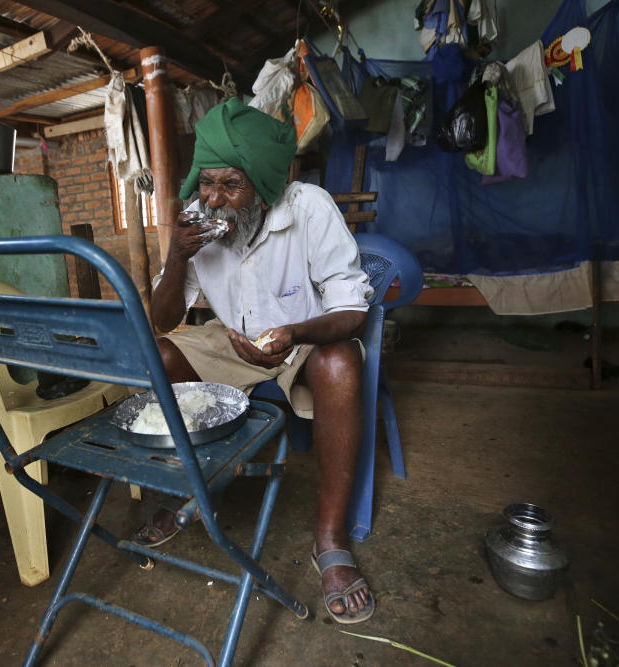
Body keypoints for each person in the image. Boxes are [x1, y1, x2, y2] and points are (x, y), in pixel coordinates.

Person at [135, 97, 375, 624]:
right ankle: (191, 493)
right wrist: (176, 258)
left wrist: (293, 333)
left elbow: (351, 311)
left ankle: (330, 539)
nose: (214, 199)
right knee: (159, 354)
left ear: (264, 186)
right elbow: (163, 316)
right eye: (207, 182)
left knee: (341, 365)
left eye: (231, 185)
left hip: (305, 337)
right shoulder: (200, 221)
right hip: (231, 340)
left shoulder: (307, 207)